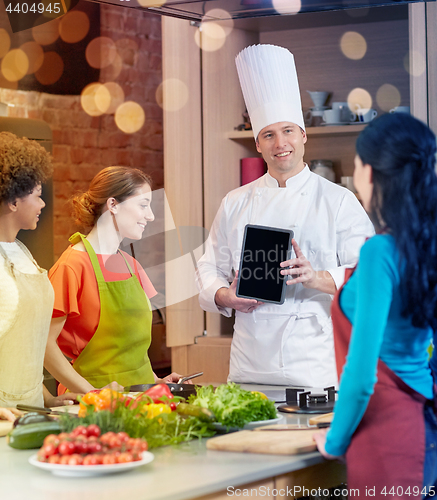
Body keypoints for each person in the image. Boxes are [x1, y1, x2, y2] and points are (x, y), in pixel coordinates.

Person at [196, 44, 374, 387]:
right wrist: (224, 295)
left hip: (314, 365)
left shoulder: (338, 200)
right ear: (258, 144)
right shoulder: (234, 202)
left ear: (304, 136)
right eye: (268, 134)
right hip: (249, 365)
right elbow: (209, 267)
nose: (281, 143)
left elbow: (367, 274)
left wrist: (317, 276)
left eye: (288, 131)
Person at [313, 113, 437, 495]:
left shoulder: (380, 253)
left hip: (385, 435)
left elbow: (363, 373)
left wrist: (334, 441)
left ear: (370, 172)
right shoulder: (425, 248)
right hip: (423, 425)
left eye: (356, 163)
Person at [45, 166, 184, 394]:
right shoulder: (72, 266)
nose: (150, 215)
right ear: (113, 205)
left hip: (142, 398)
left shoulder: (132, 266)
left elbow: (130, 351)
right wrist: (92, 394)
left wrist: (157, 381)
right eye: (143, 205)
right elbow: (45, 347)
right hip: (91, 407)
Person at [0, 131, 78, 418]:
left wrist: (47, 399)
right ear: (13, 201)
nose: (43, 204)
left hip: (31, 410)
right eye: (37, 195)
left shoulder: (21, 252)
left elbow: (25, 348)